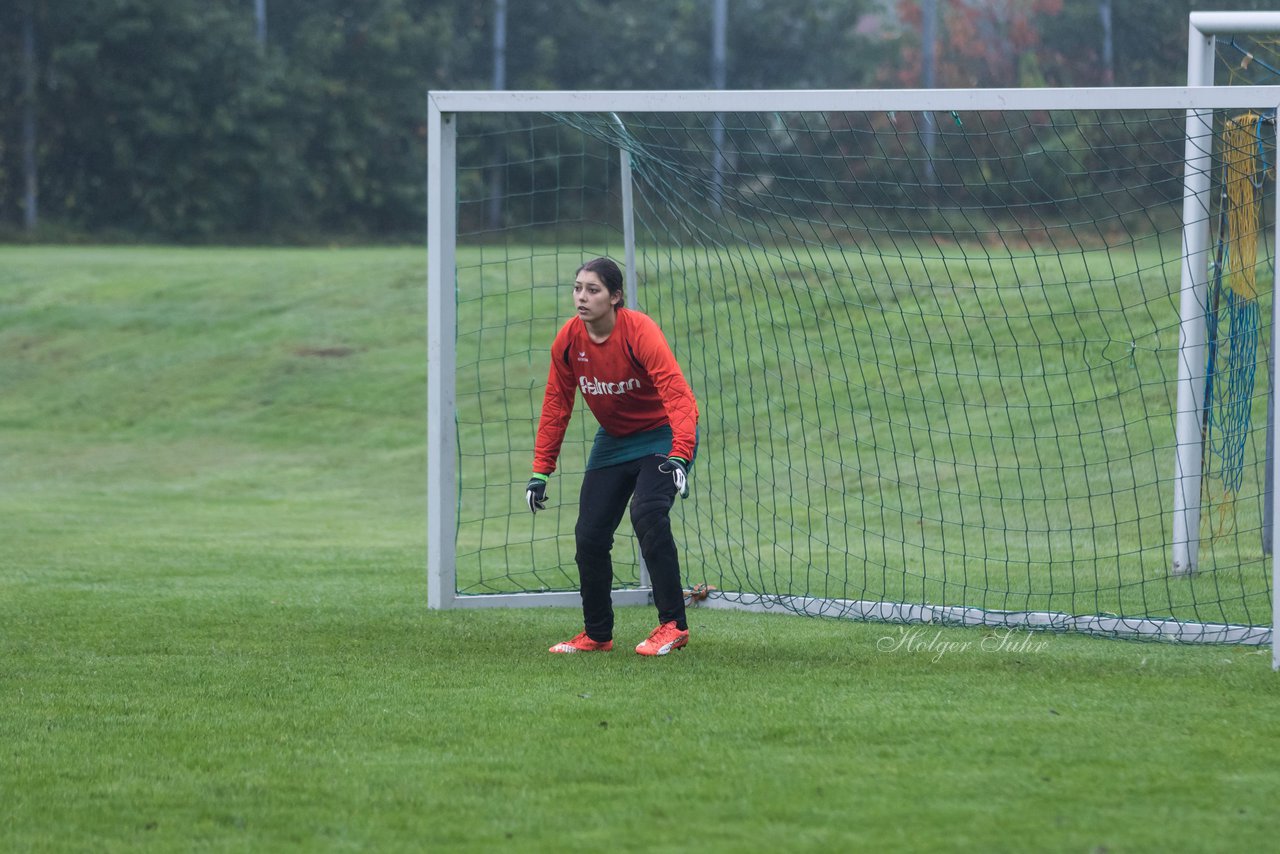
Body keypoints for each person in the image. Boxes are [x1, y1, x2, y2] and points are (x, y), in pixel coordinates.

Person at [525, 257, 699, 656]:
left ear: (615, 296)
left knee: (648, 513)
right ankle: (597, 634)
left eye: (593, 290)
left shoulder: (640, 332)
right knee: (589, 535)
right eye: (577, 288)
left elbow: (677, 394)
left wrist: (679, 454)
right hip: (615, 439)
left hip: (662, 434)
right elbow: (556, 405)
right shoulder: (568, 341)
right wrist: (541, 471)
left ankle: (673, 625)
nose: (582, 297)